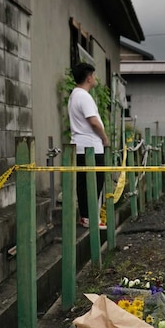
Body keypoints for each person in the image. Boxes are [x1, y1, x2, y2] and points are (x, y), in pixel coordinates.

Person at [68, 62, 110, 230]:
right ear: (88, 78)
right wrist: (105, 138)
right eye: (93, 75)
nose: (95, 78)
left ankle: (86, 217)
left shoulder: (74, 95)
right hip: (90, 146)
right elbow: (93, 122)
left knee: (84, 184)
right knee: (94, 183)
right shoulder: (84, 96)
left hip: (80, 145)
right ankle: (90, 218)